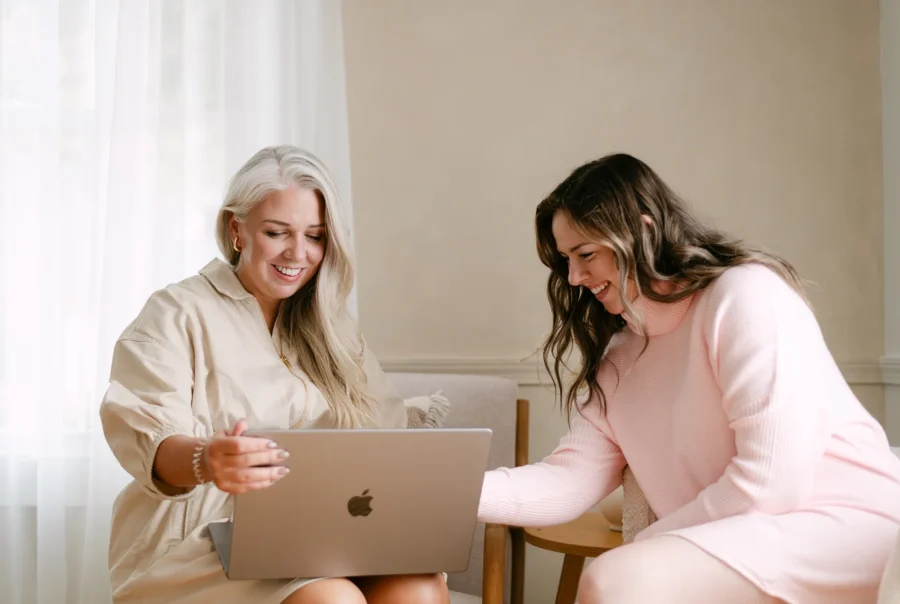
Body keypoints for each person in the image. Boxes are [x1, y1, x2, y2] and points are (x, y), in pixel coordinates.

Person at [476, 153, 900, 603]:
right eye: (566, 260)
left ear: (642, 231)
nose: (575, 276)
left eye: (586, 254)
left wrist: (649, 541)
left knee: (618, 579)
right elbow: (566, 482)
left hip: (851, 529)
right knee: (620, 575)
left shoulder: (744, 295)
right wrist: (442, 490)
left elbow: (771, 481)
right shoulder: (619, 360)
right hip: (749, 536)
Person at [99, 145, 449, 604]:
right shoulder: (177, 312)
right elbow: (146, 436)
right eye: (277, 232)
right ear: (237, 230)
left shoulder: (335, 329)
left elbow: (386, 432)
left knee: (418, 588)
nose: (298, 253)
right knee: (332, 599)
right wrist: (207, 459)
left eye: (316, 235)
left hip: (318, 534)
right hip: (199, 543)